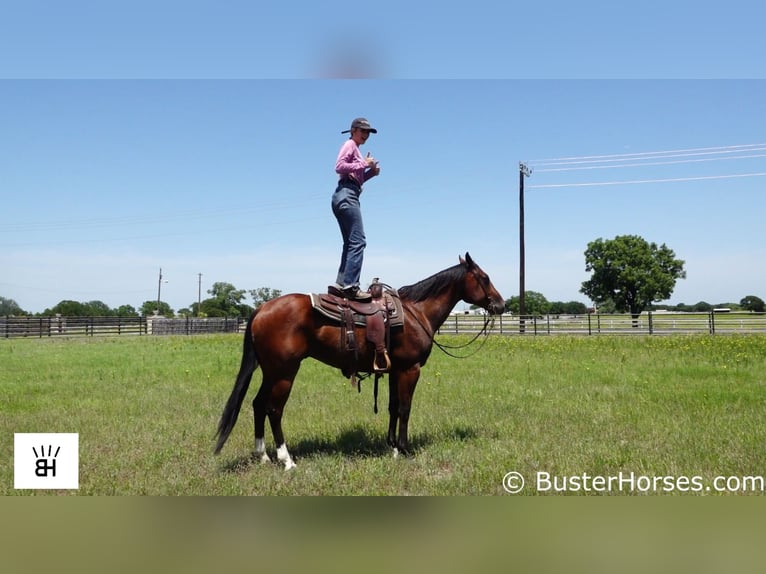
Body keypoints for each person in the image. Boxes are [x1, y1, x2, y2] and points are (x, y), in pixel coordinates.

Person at [330, 117, 381, 300]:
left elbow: (355, 177)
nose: (366, 135)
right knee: (359, 241)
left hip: (347, 193)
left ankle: (340, 283)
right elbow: (339, 167)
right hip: (347, 195)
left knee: (350, 243)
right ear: (353, 130)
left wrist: (371, 173)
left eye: (368, 132)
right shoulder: (350, 144)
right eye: (363, 131)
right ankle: (351, 286)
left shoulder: (356, 150)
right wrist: (364, 164)